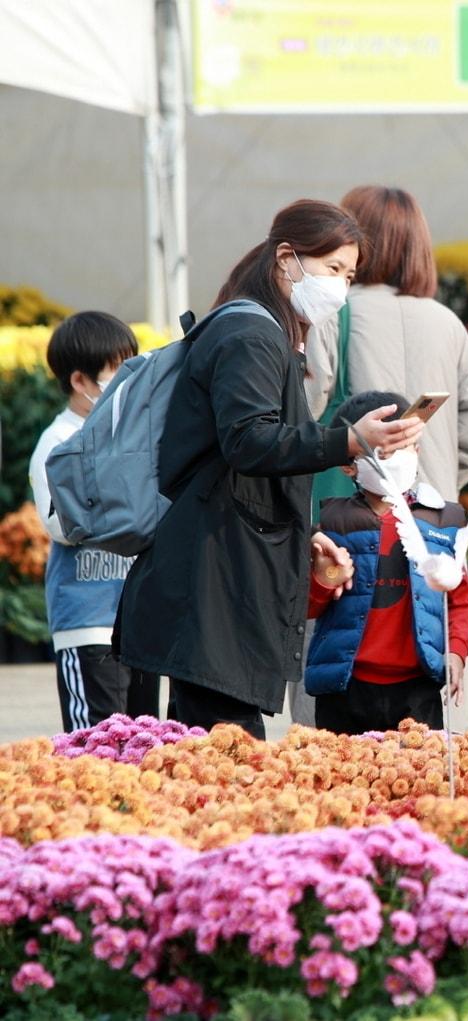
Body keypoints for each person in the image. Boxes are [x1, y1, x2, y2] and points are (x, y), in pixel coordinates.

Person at [115, 199, 424, 738]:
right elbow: (250, 441)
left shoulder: (259, 330)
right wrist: (349, 440)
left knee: (212, 744)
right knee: (227, 750)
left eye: (350, 276)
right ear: (286, 259)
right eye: (333, 270)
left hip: (222, 568)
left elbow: (249, 462)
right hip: (217, 576)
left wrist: (304, 535)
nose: (341, 288)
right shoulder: (251, 335)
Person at [306, 185, 468, 499]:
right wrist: (438, 477)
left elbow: (304, 410)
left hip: (350, 514)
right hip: (433, 517)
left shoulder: (332, 314)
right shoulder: (448, 322)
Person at [304, 391, 468, 734]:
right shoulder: (332, 524)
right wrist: (324, 580)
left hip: (417, 685)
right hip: (345, 685)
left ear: (418, 448)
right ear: (348, 463)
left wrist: (455, 652)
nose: (394, 460)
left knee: (417, 778)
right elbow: (305, 607)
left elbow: (460, 599)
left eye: (403, 448)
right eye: (380, 453)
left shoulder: (443, 522)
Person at [28, 312, 159, 731]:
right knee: (96, 743)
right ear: (81, 381)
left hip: (138, 620)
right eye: (117, 370)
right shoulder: (57, 442)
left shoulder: (132, 433)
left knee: (145, 739)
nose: (128, 380)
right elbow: (59, 525)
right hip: (88, 623)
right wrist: (123, 506)